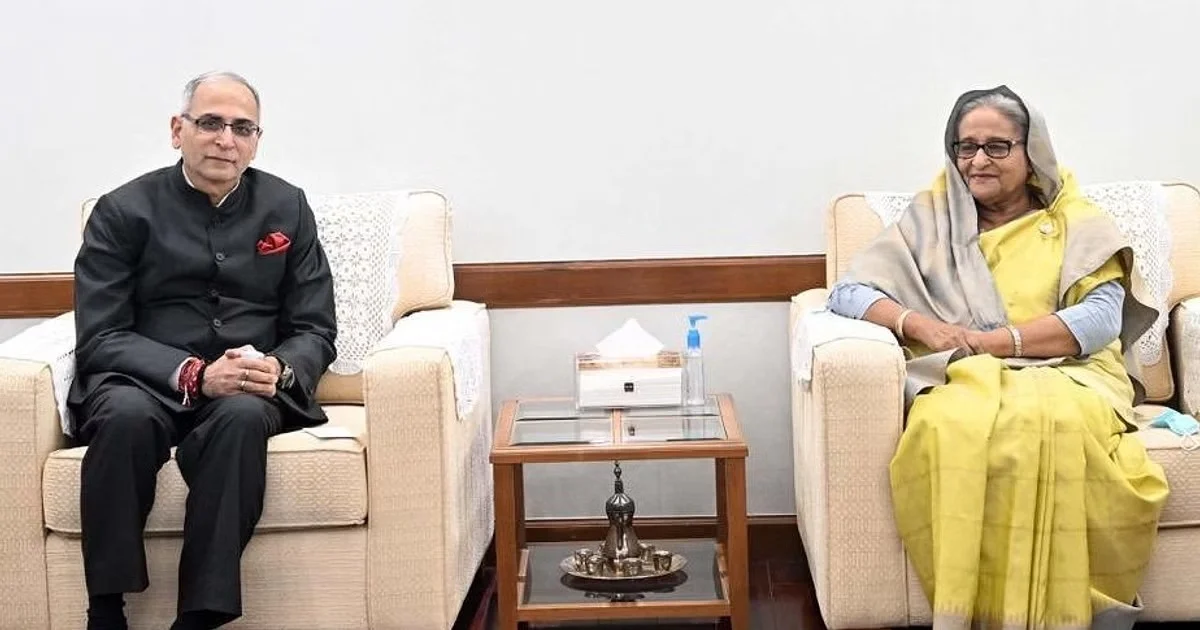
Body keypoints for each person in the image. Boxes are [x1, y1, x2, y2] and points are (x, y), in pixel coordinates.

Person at [827, 86, 1169, 628]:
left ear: (1032, 152)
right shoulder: (931, 221)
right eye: (966, 147)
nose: (978, 160)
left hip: (1073, 372)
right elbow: (848, 293)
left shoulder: (1077, 220)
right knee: (947, 424)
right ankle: (975, 612)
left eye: (997, 146)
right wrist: (923, 326)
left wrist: (995, 341)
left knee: (1054, 422)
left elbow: (1101, 320)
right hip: (964, 373)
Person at [69, 71, 337, 630]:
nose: (225, 139)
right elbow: (101, 336)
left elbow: (314, 327)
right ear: (178, 130)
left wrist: (280, 368)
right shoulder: (121, 211)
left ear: (256, 140)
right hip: (144, 381)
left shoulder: (287, 207)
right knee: (123, 418)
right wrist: (192, 374)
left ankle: (199, 617)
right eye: (211, 123)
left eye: (242, 128)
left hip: (243, 386)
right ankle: (106, 609)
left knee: (243, 418)